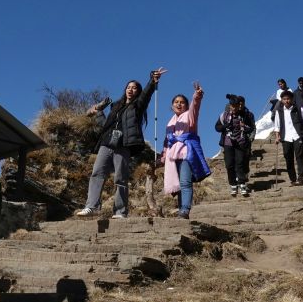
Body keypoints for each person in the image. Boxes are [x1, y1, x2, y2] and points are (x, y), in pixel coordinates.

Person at [76, 68, 166, 219]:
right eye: (128, 87)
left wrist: (152, 80)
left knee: (120, 177)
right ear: (125, 89)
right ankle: (91, 206)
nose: (131, 90)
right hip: (106, 143)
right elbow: (106, 125)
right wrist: (98, 111)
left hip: (123, 144)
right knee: (97, 173)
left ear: (138, 91)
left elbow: (147, 95)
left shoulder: (138, 105)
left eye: (134, 88)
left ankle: (120, 211)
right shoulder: (115, 106)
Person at [160, 82, 211, 218]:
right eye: (176, 102)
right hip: (172, 156)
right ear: (172, 105)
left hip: (186, 152)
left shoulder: (189, 115)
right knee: (178, 185)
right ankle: (181, 210)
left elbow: (196, 107)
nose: (179, 104)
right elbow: (167, 140)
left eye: (182, 102)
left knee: (185, 182)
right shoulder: (170, 122)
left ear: (186, 105)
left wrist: (197, 95)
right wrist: (163, 154)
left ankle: (185, 209)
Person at [216, 95, 256, 197]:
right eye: (232, 106)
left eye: (236, 106)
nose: (234, 108)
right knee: (229, 164)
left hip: (240, 142)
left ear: (239, 106)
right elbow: (217, 127)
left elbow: (251, 127)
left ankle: (242, 183)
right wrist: (225, 127)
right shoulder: (223, 115)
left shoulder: (245, 115)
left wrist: (245, 127)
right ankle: (233, 184)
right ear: (230, 106)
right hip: (228, 142)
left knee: (240, 163)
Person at [273, 90, 303, 185]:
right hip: (285, 137)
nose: (286, 101)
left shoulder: (298, 109)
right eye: (284, 99)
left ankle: (301, 177)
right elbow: (277, 126)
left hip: (297, 135)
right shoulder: (279, 111)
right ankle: (293, 179)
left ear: (292, 99)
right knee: (288, 158)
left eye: (288, 99)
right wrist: (277, 137)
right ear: (281, 100)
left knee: (299, 157)